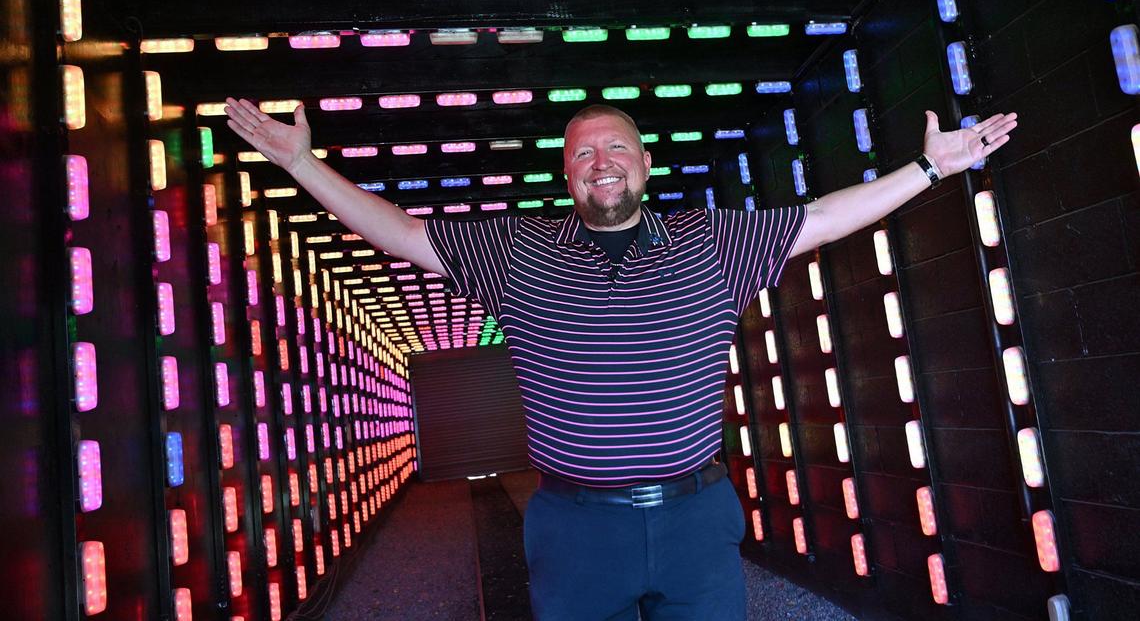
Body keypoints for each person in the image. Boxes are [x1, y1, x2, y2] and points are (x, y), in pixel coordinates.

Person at [224, 97, 1016, 620]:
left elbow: (823, 217)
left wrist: (932, 169)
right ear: (565, 174)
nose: (600, 161)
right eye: (581, 153)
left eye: (615, 147)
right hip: (573, 526)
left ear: (644, 163)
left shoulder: (714, 241)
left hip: (695, 517)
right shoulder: (518, 250)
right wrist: (300, 164)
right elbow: (398, 230)